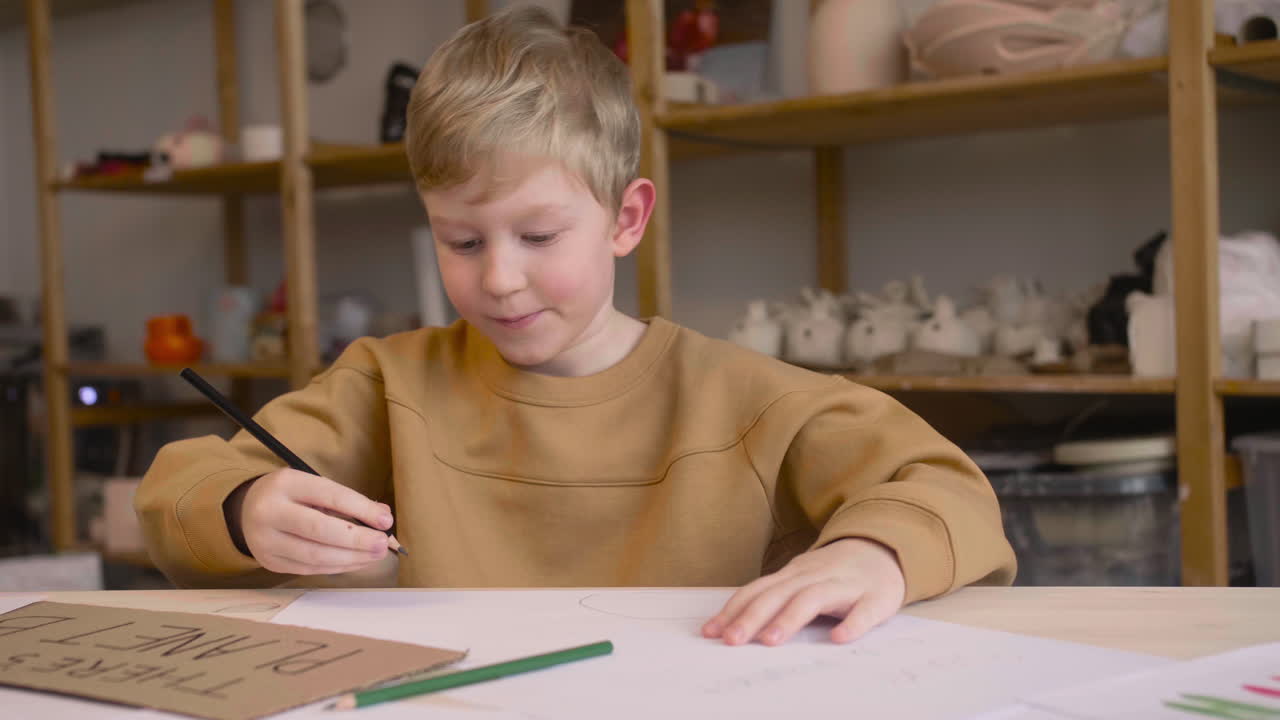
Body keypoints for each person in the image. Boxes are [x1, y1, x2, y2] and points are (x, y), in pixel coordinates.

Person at [136, 5, 1015, 648]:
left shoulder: (741, 397)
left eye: (540, 235)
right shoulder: (384, 382)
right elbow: (181, 488)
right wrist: (247, 508)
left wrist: (869, 554)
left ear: (627, 220)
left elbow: (947, 486)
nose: (500, 277)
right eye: (462, 239)